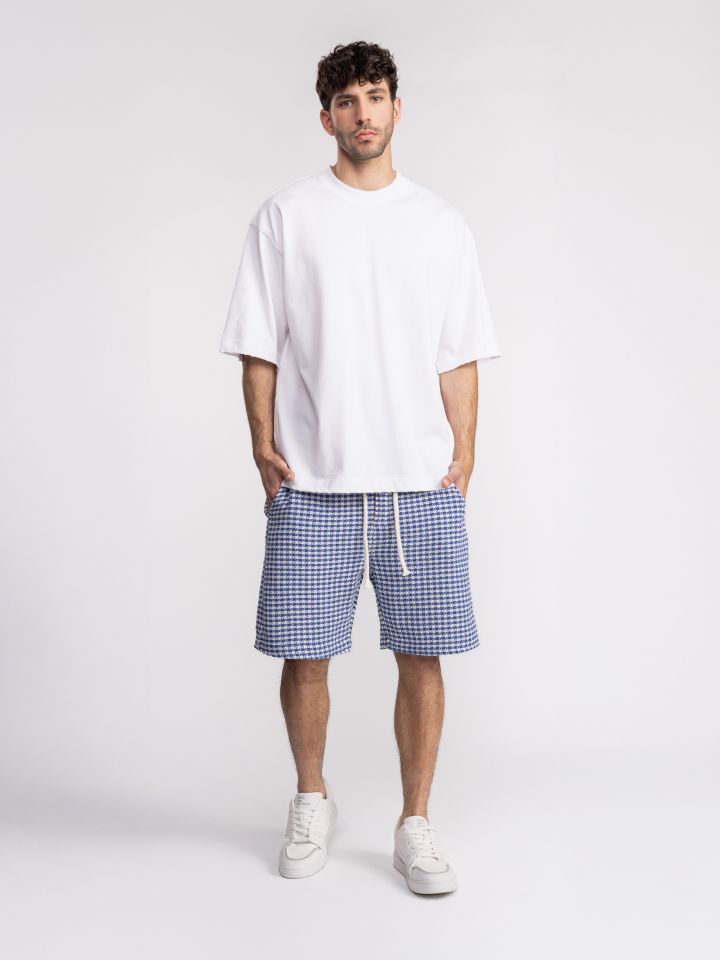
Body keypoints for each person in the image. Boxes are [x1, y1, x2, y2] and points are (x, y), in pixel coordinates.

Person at [219, 40, 501, 895]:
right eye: (347, 101)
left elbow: (459, 350)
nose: (363, 113)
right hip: (315, 481)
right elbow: (259, 344)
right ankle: (312, 798)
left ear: (396, 107)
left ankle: (415, 821)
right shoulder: (287, 217)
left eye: (375, 95)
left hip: (419, 483)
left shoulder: (439, 223)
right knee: (305, 656)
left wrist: (465, 451)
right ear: (326, 118)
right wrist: (262, 445)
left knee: (424, 656)